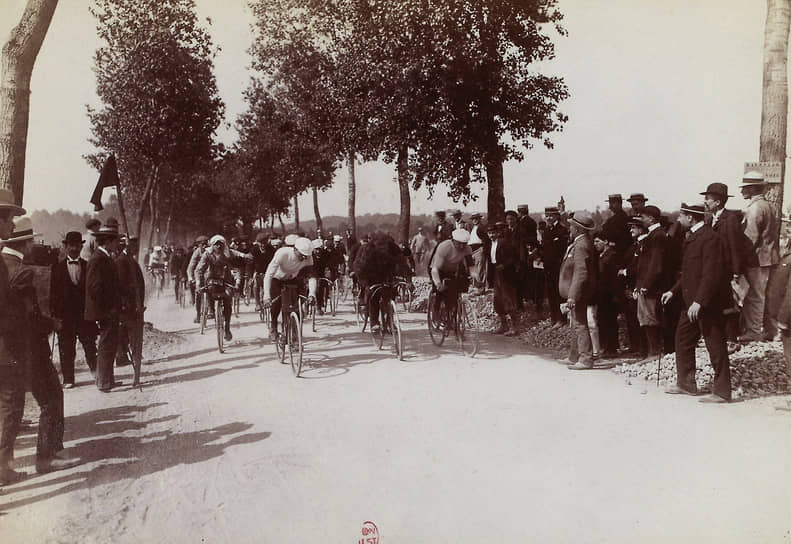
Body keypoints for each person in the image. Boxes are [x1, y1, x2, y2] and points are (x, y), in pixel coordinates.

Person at [2, 216, 80, 476]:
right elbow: (28, 315)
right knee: (50, 398)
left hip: (16, 349)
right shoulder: (20, 270)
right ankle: (47, 457)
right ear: (25, 243)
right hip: (29, 348)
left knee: (12, 405)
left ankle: (7, 464)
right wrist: (51, 324)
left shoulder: (7, 264)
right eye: (32, 240)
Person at [662, 204, 731, 403]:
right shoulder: (691, 237)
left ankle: (722, 392)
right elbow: (689, 273)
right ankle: (686, 384)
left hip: (705, 305)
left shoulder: (710, 238)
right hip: (689, 302)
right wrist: (672, 291)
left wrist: (700, 301)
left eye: (681, 216)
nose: (678, 220)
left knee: (715, 345)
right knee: (682, 340)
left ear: (691, 218)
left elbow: (711, 274)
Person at [701, 182, 757, 344]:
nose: (705, 202)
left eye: (708, 199)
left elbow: (735, 247)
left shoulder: (730, 219)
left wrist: (736, 271)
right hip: (714, 269)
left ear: (718, 202)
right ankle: (719, 337)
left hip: (727, 269)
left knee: (730, 303)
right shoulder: (709, 218)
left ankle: (731, 338)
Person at [0, 189, 27, 485]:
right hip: (4, 346)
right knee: (10, 403)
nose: (12, 226)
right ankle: (2, 466)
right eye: (9, 220)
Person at [50, 231, 98, 388]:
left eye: (77, 245)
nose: (74, 248)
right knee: (66, 349)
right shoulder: (56, 268)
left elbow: (92, 291)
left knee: (90, 345)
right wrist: (55, 316)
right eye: (71, 245)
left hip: (85, 315)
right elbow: (53, 294)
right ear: (65, 246)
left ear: (81, 246)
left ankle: (97, 374)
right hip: (66, 317)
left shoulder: (88, 265)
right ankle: (69, 379)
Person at [739, 171, 780, 342]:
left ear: (753, 188)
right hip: (771, 257)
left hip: (757, 259)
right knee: (766, 295)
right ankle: (771, 330)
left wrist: (740, 259)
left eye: (745, 188)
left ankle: (754, 331)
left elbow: (750, 239)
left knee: (755, 296)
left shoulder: (754, 208)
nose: (742, 192)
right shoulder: (771, 206)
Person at [85, 218, 122, 392]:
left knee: (110, 343)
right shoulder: (97, 259)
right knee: (106, 344)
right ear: (107, 242)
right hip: (104, 311)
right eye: (115, 241)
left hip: (109, 310)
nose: (117, 245)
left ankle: (108, 379)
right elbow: (94, 288)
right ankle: (103, 382)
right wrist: (108, 308)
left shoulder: (104, 257)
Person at [558, 211, 598, 369]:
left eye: (571, 226)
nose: (569, 228)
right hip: (577, 291)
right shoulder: (580, 242)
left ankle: (586, 358)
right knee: (575, 322)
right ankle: (574, 356)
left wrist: (573, 296)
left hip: (579, 292)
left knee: (580, 323)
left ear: (579, 229)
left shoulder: (581, 245)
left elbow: (581, 272)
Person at [262, 237, 317, 339]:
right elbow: (269, 274)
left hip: (292, 278)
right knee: (276, 303)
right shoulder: (282, 253)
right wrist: (266, 295)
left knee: (296, 306)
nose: (304, 258)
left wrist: (312, 293)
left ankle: (295, 335)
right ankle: (273, 326)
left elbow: (312, 276)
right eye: (301, 255)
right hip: (277, 278)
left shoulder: (308, 257)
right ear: (295, 249)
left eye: (306, 256)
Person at [633, 205, 668, 364]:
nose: (641, 220)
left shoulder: (657, 235)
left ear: (652, 218)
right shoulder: (653, 234)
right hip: (645, 283)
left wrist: (646, 284)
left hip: (650, 286)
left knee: (649, 317)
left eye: (644, 217)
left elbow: (656, 264)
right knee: (645, 317)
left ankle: (654, 352)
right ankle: (652, 351)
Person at [351, 232, 404, 333]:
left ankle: (390, 320)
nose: (383, 249)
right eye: (381, 247)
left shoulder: (393, 247)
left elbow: (402, 262)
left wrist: (407, 278)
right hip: (370, 273)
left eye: (385, 247)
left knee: (391, 293)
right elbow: (359, 268)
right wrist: (365, 284)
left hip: (387, 272)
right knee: (373, 295)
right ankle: (374, 322)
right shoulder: (367, 249)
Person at [116, 237, 146, 387]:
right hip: (129, 309)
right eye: (133, 245)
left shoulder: (130, 260)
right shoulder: (121, 262)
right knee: (133, 340)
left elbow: (139, 283)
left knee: (135, 341)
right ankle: (135, 374)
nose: (136, 247)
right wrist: (131, 303)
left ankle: (136, 375)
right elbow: (121, 287)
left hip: (135, 307)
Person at [195, 235, 235, 342]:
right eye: (216, 244)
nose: (218, 246)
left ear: (224, 245)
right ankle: (212, 310)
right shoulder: (207, 254)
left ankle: (227, 328)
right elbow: (199, 269)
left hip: (226, 281)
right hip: (211, 279)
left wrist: (237, 278)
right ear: (212, 245)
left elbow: (235, 267)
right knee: (208, 289)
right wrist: (198, 283)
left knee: (228, 300)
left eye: (220, 244)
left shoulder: (229, 255)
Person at [428, 228, 473, 321]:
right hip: (437, 270)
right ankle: (436, 312)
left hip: (452, 270)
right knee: (440, 292)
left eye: (464, 244)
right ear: (453, 241)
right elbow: (435, 269)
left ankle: (451, 316)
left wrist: (476, 277)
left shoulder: (468, 249)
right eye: (459, 243)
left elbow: (471, 267)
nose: (461, 246)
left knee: (454, 294)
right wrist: (438, 283)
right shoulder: (445, 247)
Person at [487, 222, 519, 335]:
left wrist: (504, 265)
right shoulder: (489, 244)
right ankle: (503, 325)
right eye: (489, 233)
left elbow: (513, 257)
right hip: (496, 273)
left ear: (497, 233)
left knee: (508, 299)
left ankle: (514, 327)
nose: (491, 235)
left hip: (506, 274)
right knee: (498, 300)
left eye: (493, 233)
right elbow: (489, 261)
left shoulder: (504, 243)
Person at [594, 231, 620, 358]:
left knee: (609, 321)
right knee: (602, 320)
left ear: (606, 241)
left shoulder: (612, 256)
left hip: (609, 295)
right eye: (594, 241)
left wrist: (615, 295)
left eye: (598, 241)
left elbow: (614, 278)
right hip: (602, 294)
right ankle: (606, 346)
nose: (595, 244)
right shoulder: (601, 256)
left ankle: (611, 348)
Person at [541, 206, 568, 327]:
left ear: (557, 216)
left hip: (558, 267)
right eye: (547, 216)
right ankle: (554, 317)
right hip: (548, 267)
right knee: (551, 293)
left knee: (559, 293)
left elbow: (561, 251)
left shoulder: (562, 230)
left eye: (551, 215)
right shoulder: (547, 230)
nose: (548, 218)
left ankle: (561, 318)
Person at [187, 235, 209, 323]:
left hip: (210, 273)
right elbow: (191, 266)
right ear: (199, 245)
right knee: (197, 292)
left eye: (206, 244)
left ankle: (212, 310)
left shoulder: (211, 251)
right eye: (202, 244)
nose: (204, 246)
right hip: (199, 274)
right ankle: (198, 314)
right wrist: (190, 277)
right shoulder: (196, 252)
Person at [467, 213, 490, 291]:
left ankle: (480, 288)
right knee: (475, 270)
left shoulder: (481, 228)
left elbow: (486, 239)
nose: (474, 220)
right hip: (473, 250)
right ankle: (476, 286)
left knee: (480, 270)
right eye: (473, 219)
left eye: (476, 218)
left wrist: (483, 248)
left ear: (479, 219)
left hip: (479, 249)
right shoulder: (474, 228)